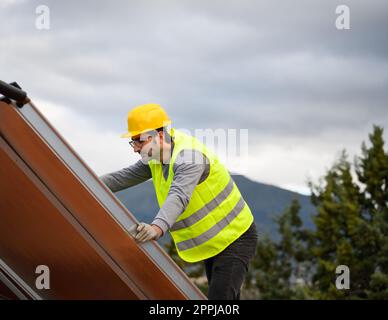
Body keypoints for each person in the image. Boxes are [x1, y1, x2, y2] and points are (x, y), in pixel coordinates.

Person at [100, 103, 258, 300]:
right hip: (214, 240)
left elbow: (179, 195)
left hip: (235, 237)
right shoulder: (156, 156)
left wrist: (156, 228)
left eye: (138, 141)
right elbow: (121, 177)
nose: (136, 148)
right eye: (133, 142)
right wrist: (84, 181)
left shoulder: (190, 157)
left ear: (158, 135)